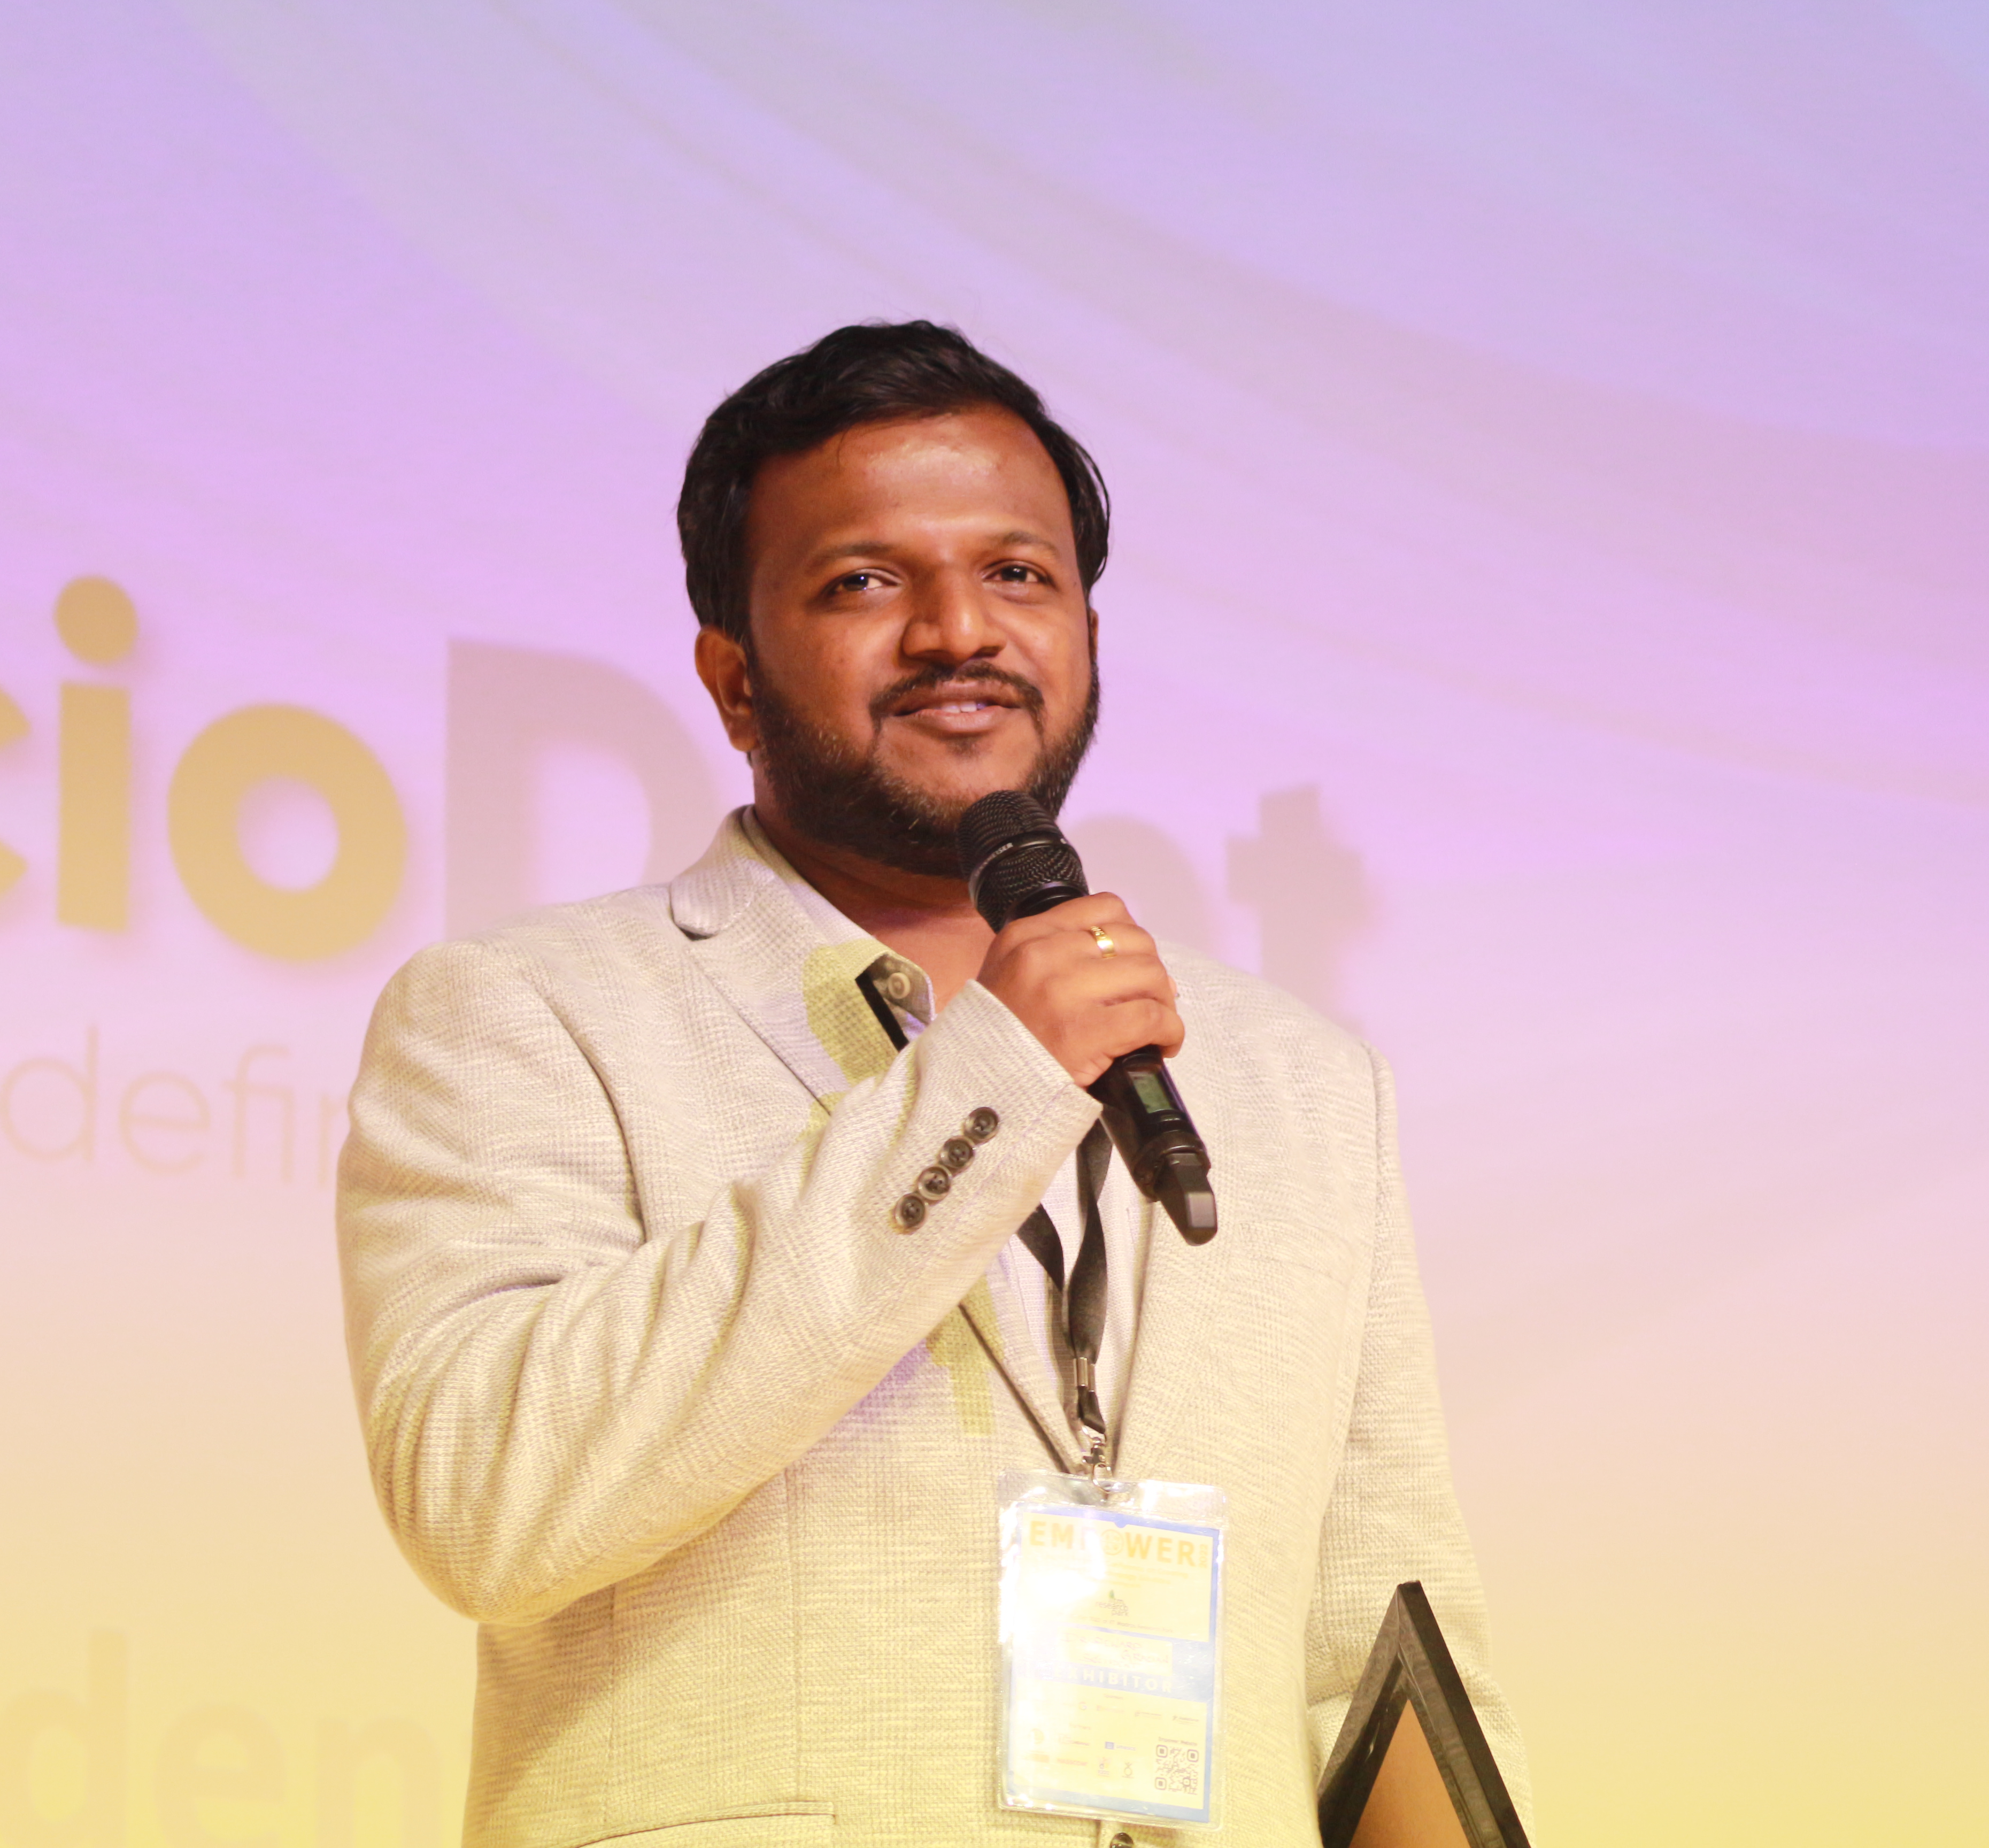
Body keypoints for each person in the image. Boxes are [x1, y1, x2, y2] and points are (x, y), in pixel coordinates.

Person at [337, 321, 1529, 1846]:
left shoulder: (1303, 1082)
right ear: (733, 681)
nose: (959, 631)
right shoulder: (527, 1013)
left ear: (1086, 630)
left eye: (1018, 574)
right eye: (864, 583)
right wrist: (992, 1077)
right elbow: (487, 1502)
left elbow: (1379, 1654)